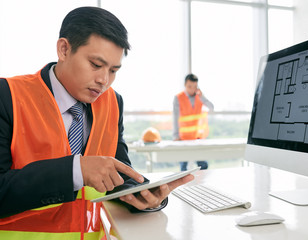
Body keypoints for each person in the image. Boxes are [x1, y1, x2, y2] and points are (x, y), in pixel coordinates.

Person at [0, 7, 194, 239]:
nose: (104, 80)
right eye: (95, 64)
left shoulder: (113, 103)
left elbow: (119, 173)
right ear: (64, 49)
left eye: (113, 70)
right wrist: (75, 170)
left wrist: (143, 196)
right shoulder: (8, 96)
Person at [173, 73, 214, 171]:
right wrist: (175, 136)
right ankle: (186, 186)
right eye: (189, 86)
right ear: (185, 85)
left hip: (198, 138)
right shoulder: (178, 98)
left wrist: (202, 97)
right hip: (183, 139)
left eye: (194, 86)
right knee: (183, 168)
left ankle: (201, 185)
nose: (192, 89)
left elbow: (211, 108)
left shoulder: (199, 97)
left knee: (203, 165)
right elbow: (175, 117)